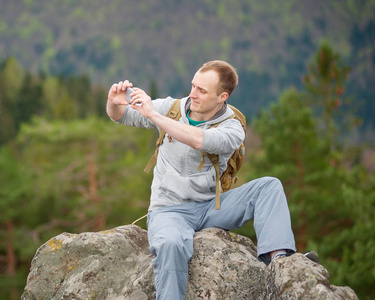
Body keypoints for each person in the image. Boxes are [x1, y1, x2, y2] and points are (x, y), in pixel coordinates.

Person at [106, 60, 317, 300]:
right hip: (169, 210)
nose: (192, 94)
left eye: (201, 91)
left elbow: (198, 139)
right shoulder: (172, 108)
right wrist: (113, 102)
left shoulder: (233, 127)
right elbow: (120, 116)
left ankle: (280, 261)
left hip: (211, 207)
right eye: (193, 86)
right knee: (171, 245)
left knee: (269, 186)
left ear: (222, 97)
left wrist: (154, 116)